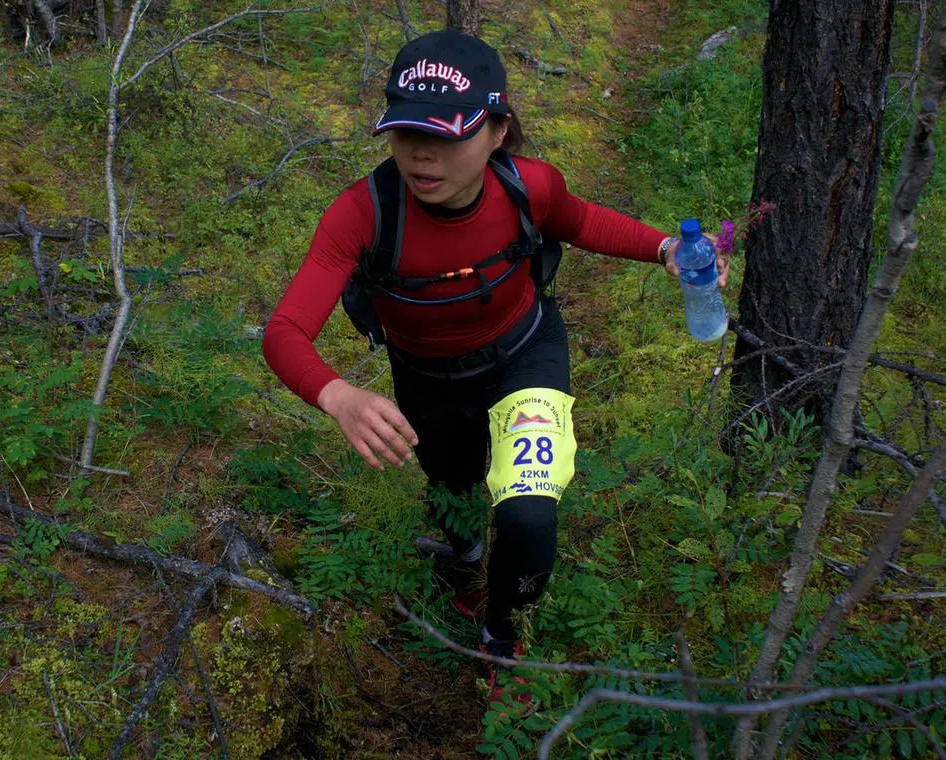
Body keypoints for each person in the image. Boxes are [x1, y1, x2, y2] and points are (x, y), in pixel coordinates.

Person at [262, 28, 728, 704]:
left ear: (497, 130)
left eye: (447, 135)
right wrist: (337, 395)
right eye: (404, 134)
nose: (422, 155)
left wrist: (661, 247)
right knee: (450, 489)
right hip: (426, 376)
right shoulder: (361, 214)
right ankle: (465, 564)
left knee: (528, 514)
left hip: (524, 354)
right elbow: (284, 331)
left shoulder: (529, 186)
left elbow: (582, 220)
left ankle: (504, 638)